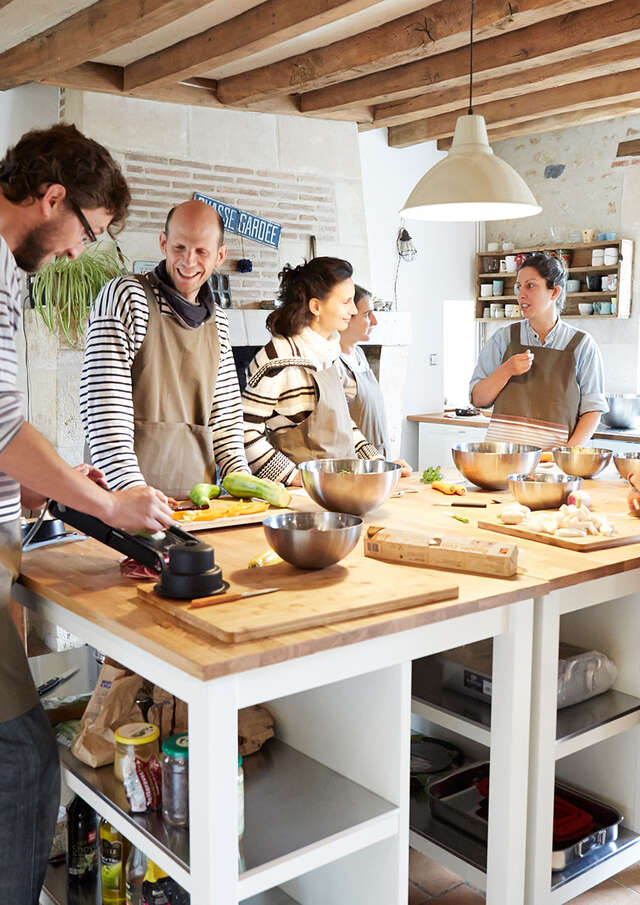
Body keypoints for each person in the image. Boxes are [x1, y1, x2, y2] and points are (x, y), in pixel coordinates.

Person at [0, 123, 173, 905]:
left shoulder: (8, 275)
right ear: (54, 196)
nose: (77, 253)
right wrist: (102, 500)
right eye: (86, 233)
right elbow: (1, 423)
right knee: (24, 757)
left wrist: (43, 486)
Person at [80, 199, 250, 500]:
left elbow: (226, 421)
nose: (188, 261)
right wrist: (133, 491)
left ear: (220, 256)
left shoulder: (218, 323)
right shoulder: (126, 297)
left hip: (196, 504)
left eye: (201, 252)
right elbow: (103, 411)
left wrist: (242, 484)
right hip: (120, 499)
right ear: (163, 243)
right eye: (179, 247)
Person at [242, 257, 410, 484]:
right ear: (316, 307)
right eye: (345, 302)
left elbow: (343, 425)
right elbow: (245, 432)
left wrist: (378, 464)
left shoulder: (329, 354)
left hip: (339, 489)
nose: (352, 310)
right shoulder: (278, 358)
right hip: (301, 498)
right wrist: (292, 477)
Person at [470, 253, 607, 448]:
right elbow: (478, 399)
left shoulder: (582, 346)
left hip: (553, 465)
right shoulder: (504, 339)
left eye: (530, 286)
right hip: (501, 460)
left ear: (554, 292)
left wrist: (565, 455)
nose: (521, 295)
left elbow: (593, 410)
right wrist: (506, 370)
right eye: (519, 287)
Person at [336, 283, 390, 457]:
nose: (375, 321)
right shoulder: (333, 363)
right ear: (346, 317)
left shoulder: (359, 354)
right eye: (367, 315)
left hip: (377, 456)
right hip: (357, 465)